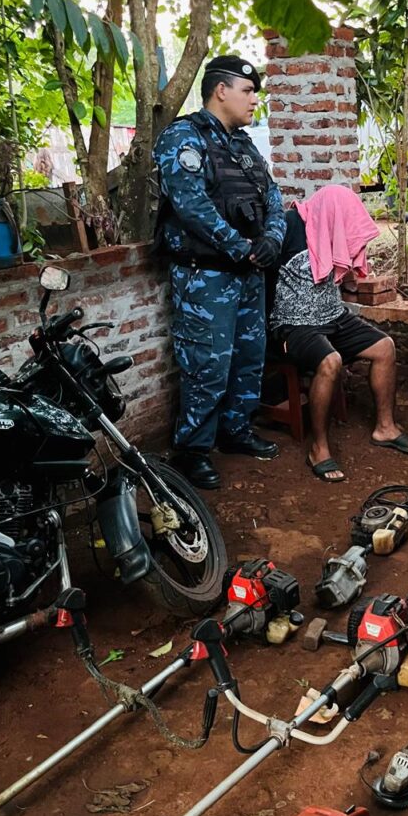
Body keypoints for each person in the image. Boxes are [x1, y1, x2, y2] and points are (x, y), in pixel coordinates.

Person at [153, 55, 286, 490]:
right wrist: (240, 248)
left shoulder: (244, 145)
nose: (254, 101)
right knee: (207, 364)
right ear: (221, 91)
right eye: (248, 92)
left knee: (250, 358)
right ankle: (192, 449)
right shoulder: (182, 137)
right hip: (205, 276)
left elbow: (274, 198)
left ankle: (235, 431)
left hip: (248, 272)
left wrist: (271, 240)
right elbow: (191, 206)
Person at [269, 185, 408, 482]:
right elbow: (261, 276)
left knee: (385, 347)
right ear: (330, 214)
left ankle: (385, 428)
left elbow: (346, 267)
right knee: (331, 361)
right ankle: (319, 449)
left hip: (333, 316)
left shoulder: (331, 229)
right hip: (294, 324)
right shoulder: (288, 226)